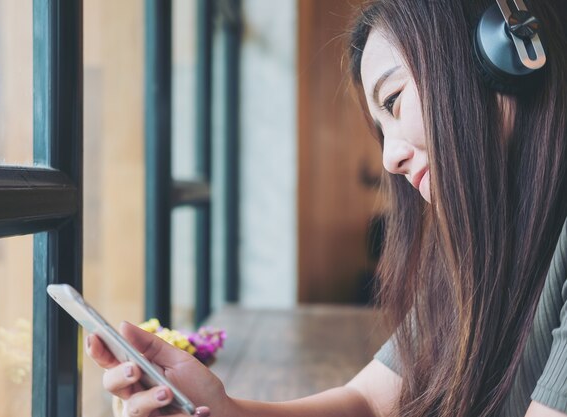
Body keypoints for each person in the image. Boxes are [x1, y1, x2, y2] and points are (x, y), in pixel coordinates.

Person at [87, 0, 567, 416]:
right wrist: (224, 409)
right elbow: (372, 402)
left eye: (395, 101)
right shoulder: (480, 246)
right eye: (381, 130)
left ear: (507, 54)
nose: (389, 158)